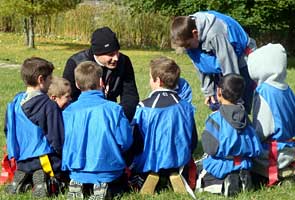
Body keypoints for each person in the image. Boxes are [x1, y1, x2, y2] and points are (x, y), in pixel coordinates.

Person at [62, 61, 133, 199]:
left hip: (76, 167)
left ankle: (79, 183)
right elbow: (125, 141)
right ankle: (104, 186)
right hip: (109, 168)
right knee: (120, 181)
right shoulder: (114, 109)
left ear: (76, 84)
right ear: (101, 82)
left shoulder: (68, 111)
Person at [130, 57, 197, 195]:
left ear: (158, 80)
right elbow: (193, 138)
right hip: (179, 157)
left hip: (151, 159)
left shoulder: (144, 106)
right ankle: (173, 172)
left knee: (134, 164)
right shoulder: (186, 106)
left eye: (150, 78)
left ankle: (151, 173)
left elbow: (136, 140)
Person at [171, 10, 256, 113]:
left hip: (240, 57)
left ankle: (241, 122)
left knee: (239, 104)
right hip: (218, 58)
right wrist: (209, 92)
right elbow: (200, 63)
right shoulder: (187, 32)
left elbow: (229, 65)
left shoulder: (215, 33)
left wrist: (233, 99)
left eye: (188, 45)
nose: (187, 49)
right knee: (216, 103)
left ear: (195, 33)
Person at [4, 57, 64, 197]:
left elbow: (8, 129)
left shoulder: (15, 102)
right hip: (44, 157)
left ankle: (22, 176)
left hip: (22, 158)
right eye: (50, 79)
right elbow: (56, 135)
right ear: (41, 79)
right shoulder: (48, 105)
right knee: (60, 174)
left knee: (28, 168)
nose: (51, 82)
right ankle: (45, 181)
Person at [197, 74, 262, 196]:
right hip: (243, 163)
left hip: (221, 164)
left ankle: (224, 182)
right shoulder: (245, 118)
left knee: (201, 168)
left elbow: (210, 149)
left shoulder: (215, 118)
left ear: (219, 92)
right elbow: (256, 147)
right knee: (237, 166)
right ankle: (241, 179)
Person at [63, 26, 139, 121]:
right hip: (84, 116)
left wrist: (119, 117)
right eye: (110, 54)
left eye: (117, 52)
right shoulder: (76, 63)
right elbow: (68, 98)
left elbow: (130, 96)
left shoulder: (124, 62)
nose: (116, 58)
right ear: (97, 53)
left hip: (112, 115)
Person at [247, 43, 295, 186]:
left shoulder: (264, 92)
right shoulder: (286, 88)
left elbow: (263, 130)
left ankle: (279, 173)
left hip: (273, 153)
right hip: (289, 147)